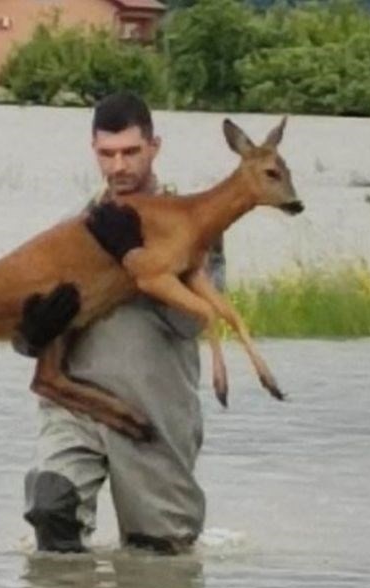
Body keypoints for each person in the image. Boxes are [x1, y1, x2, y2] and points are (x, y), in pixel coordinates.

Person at [20, 91, 225, 555]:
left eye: (131, 152)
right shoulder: (73, 230)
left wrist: (133, 260)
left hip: (155, 413)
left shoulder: (193, 229)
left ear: (155, 147)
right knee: (53, 511)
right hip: (77, 406)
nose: (119, 167)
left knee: (159, 558)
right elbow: (27, 339)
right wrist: (30, 334)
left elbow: (196, 323)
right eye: (107, 154)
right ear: (93, 151)